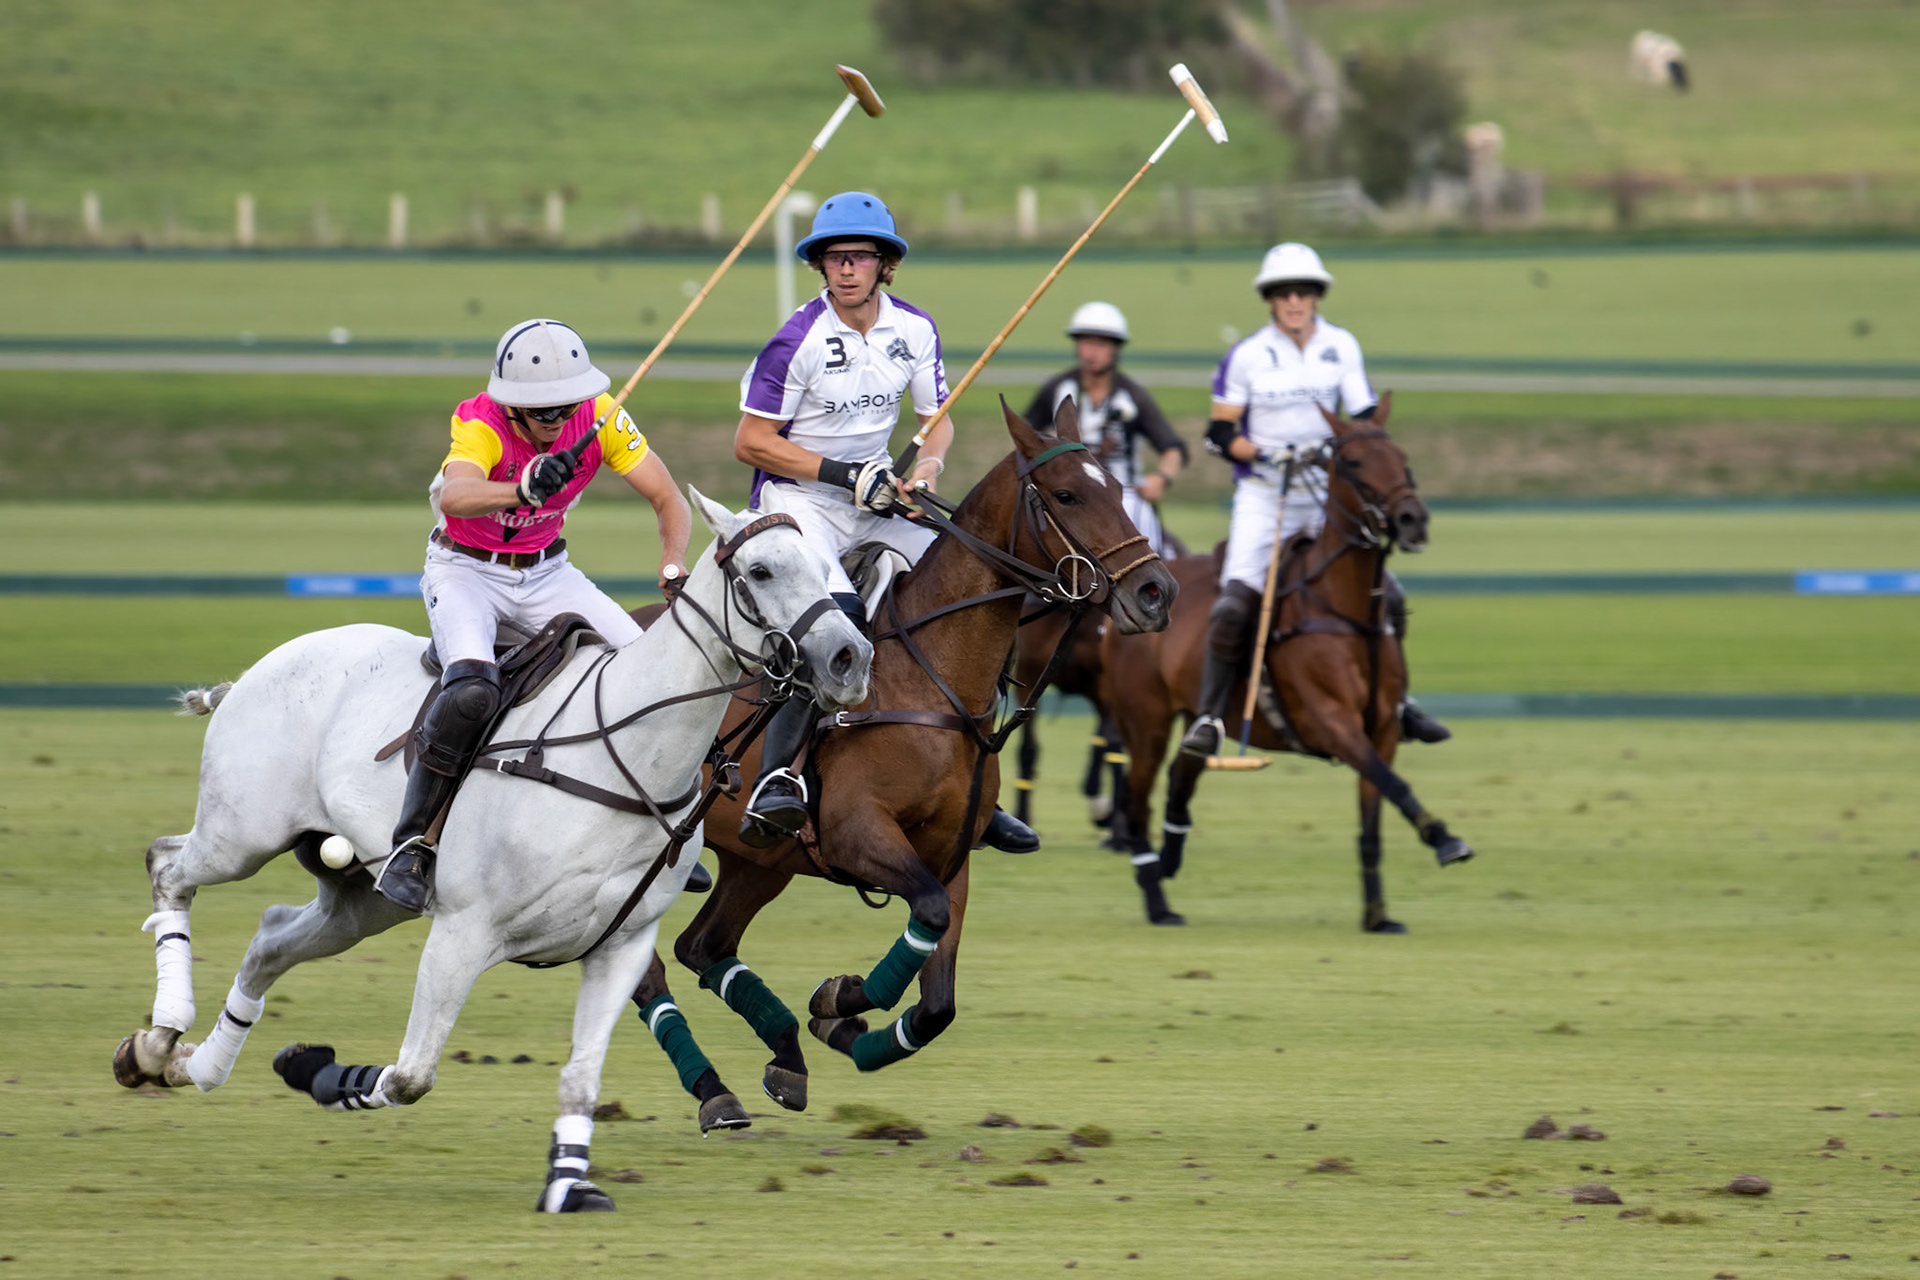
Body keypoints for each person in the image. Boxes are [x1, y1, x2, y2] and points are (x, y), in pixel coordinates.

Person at [731, 191, 1037, 854]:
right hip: (800, 504)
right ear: (820, 264)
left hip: (874, 501)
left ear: (884, 265)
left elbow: (937, 421)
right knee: (834, 619)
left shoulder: (915, 330)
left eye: (860, 256)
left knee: (972, 587)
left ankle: (975, 780)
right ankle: (779, 776)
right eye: (835, 257)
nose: (847, 268)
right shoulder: (797, 340)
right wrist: (846, 476)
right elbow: (751, 442)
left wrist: (926, 469)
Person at [378, 318, 693, 913]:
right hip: (465, 571)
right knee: (472, 693)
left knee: (655, 676)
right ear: (512, 404)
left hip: (548, 573)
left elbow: (667, 497)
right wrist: (520, 489)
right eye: (541, 409)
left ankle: (659, 828)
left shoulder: (600, 417)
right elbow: (456, 495)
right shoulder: (480, 422)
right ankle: (414, 845)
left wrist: (674, 561)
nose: (555, 418)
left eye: (564, 406)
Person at [1178, 244, 1451, 759]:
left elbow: (1365, 419)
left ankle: (1400, 704)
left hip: (1330, 496)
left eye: (1303, 292)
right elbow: (1220, 433)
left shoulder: (1341, 346)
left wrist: (1353, 454)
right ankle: (1210, 717)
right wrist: (1267, 453)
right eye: (1284, 293)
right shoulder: (1248, 356)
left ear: (1317, 296)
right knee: (1233, 606)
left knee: (1388, 594)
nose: (1294, 301)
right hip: (1266, 496)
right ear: (1270, 299)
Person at [1024, 302, 1187, 556]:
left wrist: (1161, 478)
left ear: (1115, 349)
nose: (1092, 351)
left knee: (1149, 559)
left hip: (1125, 497)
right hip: (1069, 496)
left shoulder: (1132, 394)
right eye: (1086, 342)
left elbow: (1172, 448)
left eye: (1101, 344)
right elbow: (1025, 437)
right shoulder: (1057, 388)